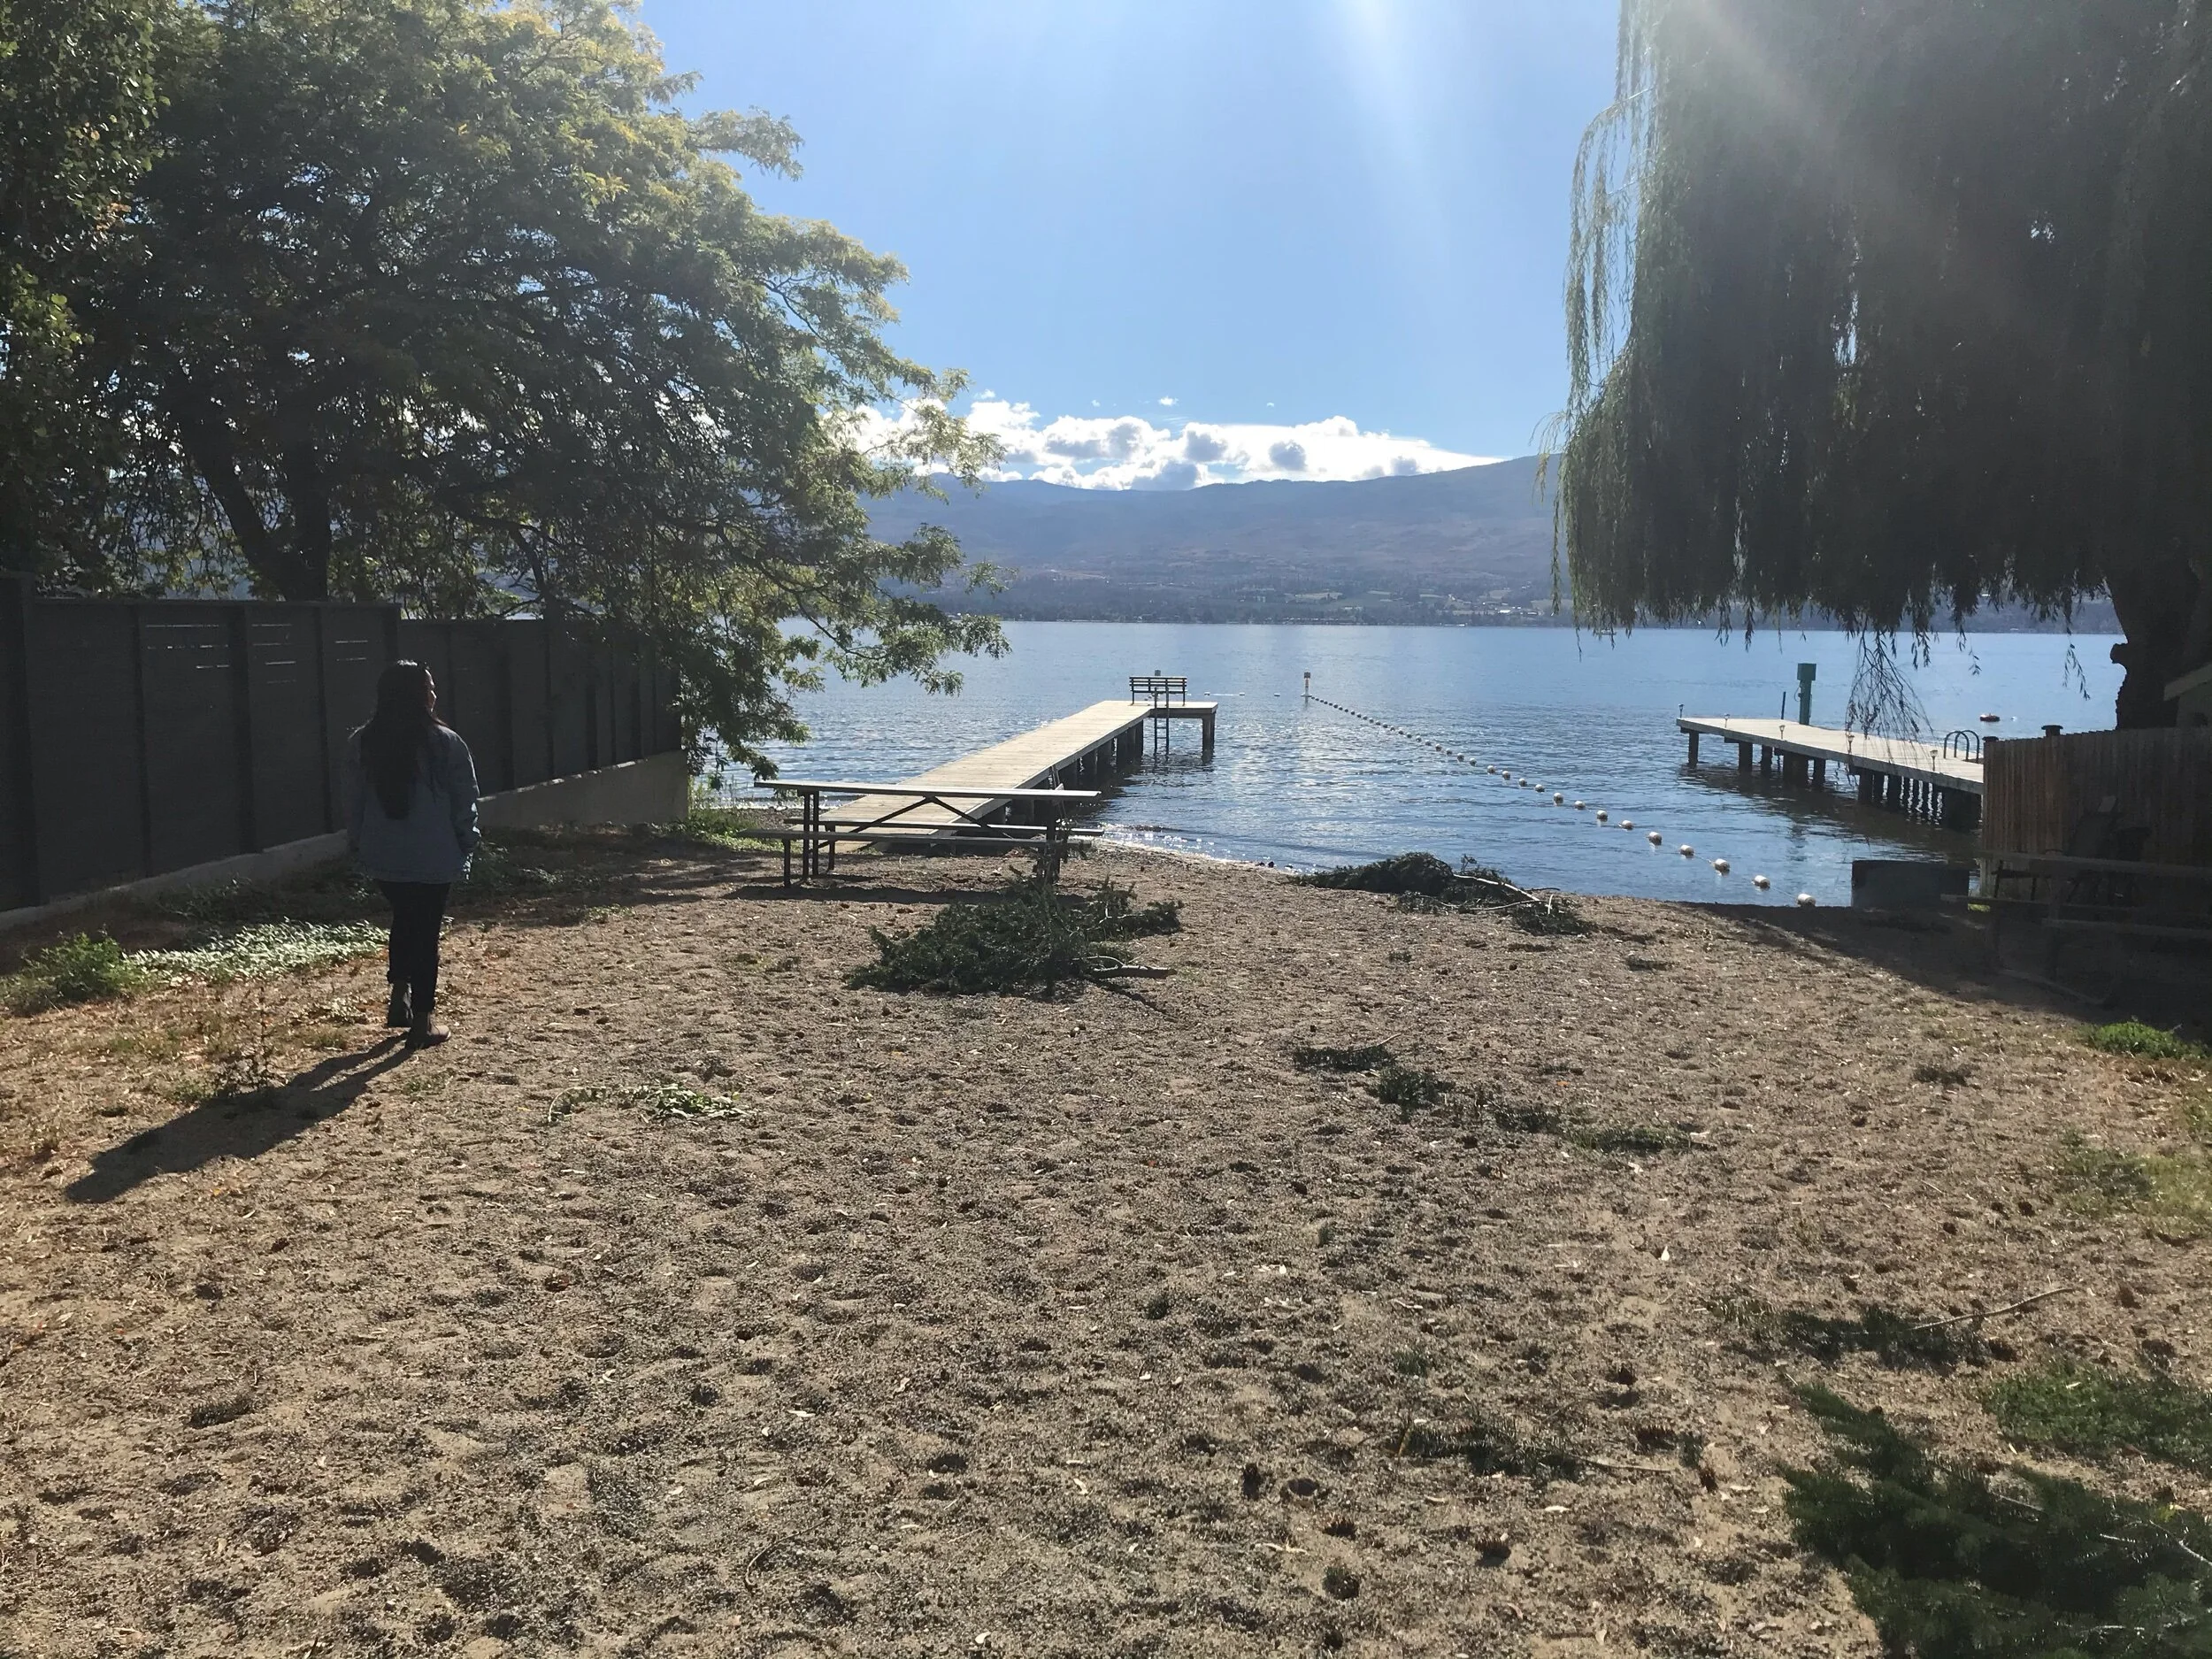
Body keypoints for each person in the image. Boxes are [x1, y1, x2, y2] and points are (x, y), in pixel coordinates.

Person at [347, 661, 480, 1048]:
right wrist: (467, 841)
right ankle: (423, 1019)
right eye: (430, 687)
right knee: (426, 930)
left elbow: (353, 801)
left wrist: (358, 843)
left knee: (404, 918)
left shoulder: (362, 742)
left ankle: (399, 995)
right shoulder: (446, 743)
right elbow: (465, 799)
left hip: (383, 855)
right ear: (419, 695)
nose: (435, 694)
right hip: (434, 853)